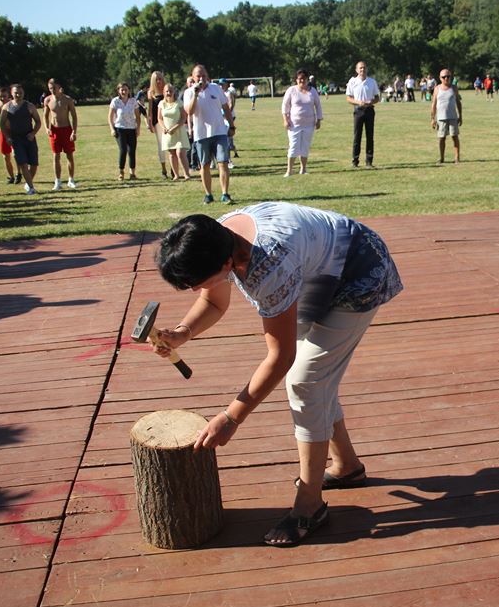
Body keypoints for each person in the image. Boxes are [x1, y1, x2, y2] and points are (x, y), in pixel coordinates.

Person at [153, 202, 403, 546]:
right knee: (315, 378)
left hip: (359, 271)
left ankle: (310, 505)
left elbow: (281, 357)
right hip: (317, 271)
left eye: (197, 282)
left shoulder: (268, 265)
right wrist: (182, 332)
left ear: (227, 263)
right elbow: (214, 301)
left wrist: (231, 417)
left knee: (306, 380)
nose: (197, 290)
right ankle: (347, 467)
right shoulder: (217, 237)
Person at [184, 64, 235, 204]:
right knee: (204, 164)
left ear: (207, 76)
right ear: (193, 77)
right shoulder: (189, 92)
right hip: (201, 135)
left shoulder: (216, 88)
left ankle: (225, 193)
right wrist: (195, 94)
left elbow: (226, 107)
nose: (201, 78)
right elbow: (189, 111)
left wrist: (231, 125)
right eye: (198, 76)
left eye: (203, 75)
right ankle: (208, 194)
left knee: (223, 162)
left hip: (219, 132)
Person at [0, 84, 42, 195]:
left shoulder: (29, 106)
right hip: (16, 139)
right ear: (11, 94)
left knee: (34, 164)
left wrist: (33, 133)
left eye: (20, 93)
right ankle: (31, 188)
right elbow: (2, 124)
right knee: (23, 163)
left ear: (23, 93)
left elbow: (38, 121)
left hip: (29, 138)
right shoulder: (7, 107)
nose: (18, 95)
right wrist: (7, 137)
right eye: (16, 93)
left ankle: (28, 184)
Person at [281, 69, 324, 177]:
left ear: (307, 80)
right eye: (299, 79)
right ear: (296, 80)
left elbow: (318, 105)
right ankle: (289, 170)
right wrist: (285, 120)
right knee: (294, 146)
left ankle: (303, 169)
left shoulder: (312, 91)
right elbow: (285, 106)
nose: (302, 81)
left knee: (305, 147)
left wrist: (319, 119)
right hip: (294, 124)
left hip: (309, 124)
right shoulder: (291, 90)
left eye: (304, 79)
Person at [43, 79, 78, 189]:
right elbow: (45, 116)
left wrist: (74, 131)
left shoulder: (67, 100)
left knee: (69, 155)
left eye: (54, 88)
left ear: (59, 87)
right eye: (50, 88)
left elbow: (74, 116)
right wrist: (47, 128)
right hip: (54, 131)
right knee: (56, 156)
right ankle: (57, 181)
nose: (52, 90)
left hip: (66, 130)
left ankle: (71, 180)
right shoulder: (47, 100)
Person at [346, 61, 380, 168]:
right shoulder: (352, 82)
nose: (362, 70)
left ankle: (369, 161)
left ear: (367, 69)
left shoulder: (372, 81)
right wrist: (358, 102)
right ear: (356, 70)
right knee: (357, 136)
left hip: (369, 110)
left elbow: (377, 97)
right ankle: (355, 161)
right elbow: (348, 98)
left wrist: (371, 102)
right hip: (358, 111)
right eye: (360, 68)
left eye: (364, 68)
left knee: (370, 136)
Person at [158, 84, 192, 181]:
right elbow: (159, 118)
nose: (168, 93)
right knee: (172, 153)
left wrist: (175, 127)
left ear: (174, 92)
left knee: (180, 152)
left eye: (170, 91)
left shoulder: (179, 103)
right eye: (166, 91)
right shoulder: (161, 104)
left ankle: (186, 174)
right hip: (168, 133)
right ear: (163, 93)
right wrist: (164, 128)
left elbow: (183, 117)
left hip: (178, 130)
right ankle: (176, 175)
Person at [109, 82, 142, 181]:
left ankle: (132, 173)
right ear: (118, 91)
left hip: (131, 129)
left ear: (129, 91)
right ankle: (121, 172)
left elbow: (137, 116)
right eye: (122, 89)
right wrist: (112, 128)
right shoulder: (115, 101)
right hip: (119, 129)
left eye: (126, 89)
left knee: (132, 151)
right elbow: (110, 117)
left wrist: (138, 128)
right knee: (123, 150)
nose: (124, 91)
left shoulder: (133, 101)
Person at [431, 69, 462, 164]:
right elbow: (433, 104)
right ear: (440, 78)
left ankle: (456, 158)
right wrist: (433, 119)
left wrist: (460, 116)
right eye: (444, 77)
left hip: (453, 116)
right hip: (441, 118)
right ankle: (441, 158)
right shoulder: (437, 88)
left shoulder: (454, 88)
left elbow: (458, 102)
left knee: (454, 137)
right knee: (441, 138)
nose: (446, 79)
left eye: (448, 76)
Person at [0, 88, 18, 184]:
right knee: (5, 156)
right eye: (0, 96)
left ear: (8, 95)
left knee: (16, 154)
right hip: (3, 132)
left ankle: (19, 174)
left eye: (4, 96)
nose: (2, 98)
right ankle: (11, 176)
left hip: (14, 131)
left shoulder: (13, 103)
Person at [145, 72, 169, 180]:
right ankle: (164, 169)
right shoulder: (151, 93)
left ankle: (174, 168)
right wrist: (150, 123)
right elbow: (150, 110)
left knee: (170, 145)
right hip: (157, 121)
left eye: (160, 79)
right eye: (156, 79)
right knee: (161, 146)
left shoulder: (167, 90)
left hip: (168, 120)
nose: (158, 81)